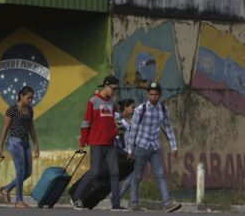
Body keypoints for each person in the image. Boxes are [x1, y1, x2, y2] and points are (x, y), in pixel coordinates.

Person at [71, 75, 127, 211]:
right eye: (113, 89)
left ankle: (115, 204)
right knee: (94, 172)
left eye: (116, 89)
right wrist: (82, 142)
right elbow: (86, 122)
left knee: (115, 172)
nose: (114, 92)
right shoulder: (93, 101)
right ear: (106, 86)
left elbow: (113, 120)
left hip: (110, 143)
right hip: (96, 142)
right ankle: (76, 197)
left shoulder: (113, 103)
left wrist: (117, 129)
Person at [126, 82, 181, 212]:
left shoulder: (162, 109)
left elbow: (168, 128)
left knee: (160, 174)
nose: (153, 97)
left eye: (156, 94)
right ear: (148, 94)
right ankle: (134, 203)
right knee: (137, 176)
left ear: (160, 95)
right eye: (151, 94)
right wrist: (130, 149)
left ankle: (167, 203)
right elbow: (133, 130)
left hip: (155, 147)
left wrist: (174, 147)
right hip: (141, 146)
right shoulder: (141, 109)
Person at [0, 86, 40, 208]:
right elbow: (5, 129)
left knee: (28, 172)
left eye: (32, 98)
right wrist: (0, 147)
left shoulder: (30, 110)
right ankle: (19, 201)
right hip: (14, 142)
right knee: (20, 171)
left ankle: (6, 189)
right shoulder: (12, 110)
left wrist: (36, 144)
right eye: (28, 98)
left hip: (26, 143)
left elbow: (31, 127)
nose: (30, 100)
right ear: (21, 96)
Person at [114, 99, 135, 199]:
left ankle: (119, 196)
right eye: (132, 107)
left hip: (130, 151)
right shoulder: (118, 119)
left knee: (134, 175)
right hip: (121, 152)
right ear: (126, 107)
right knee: (117, 175)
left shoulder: (133, 120)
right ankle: (116, 196)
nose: (134, 110)